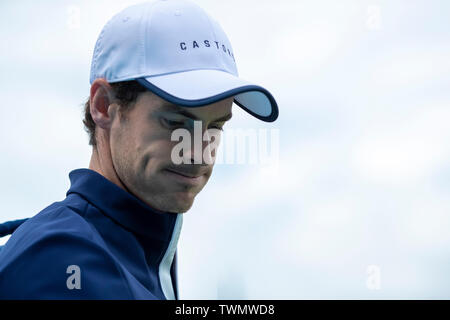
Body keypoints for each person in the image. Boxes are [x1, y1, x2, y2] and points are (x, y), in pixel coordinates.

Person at [0, 0, 278, 299]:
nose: (199, 152)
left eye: (215, 126)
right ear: (103, 106)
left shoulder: (135, 254)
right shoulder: (59, 261)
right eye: (175, 122)